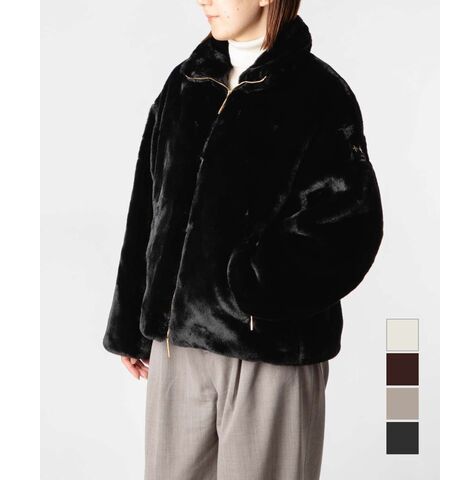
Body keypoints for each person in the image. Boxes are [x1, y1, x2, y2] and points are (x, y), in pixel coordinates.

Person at [102, 1, 384, 479]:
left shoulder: (318, 94)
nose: (205, 1)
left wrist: (257, 288)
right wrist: (131, 321)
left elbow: (349, 225)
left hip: (269, 346)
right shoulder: (184, 85)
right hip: (176, 349)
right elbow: (148, 207)